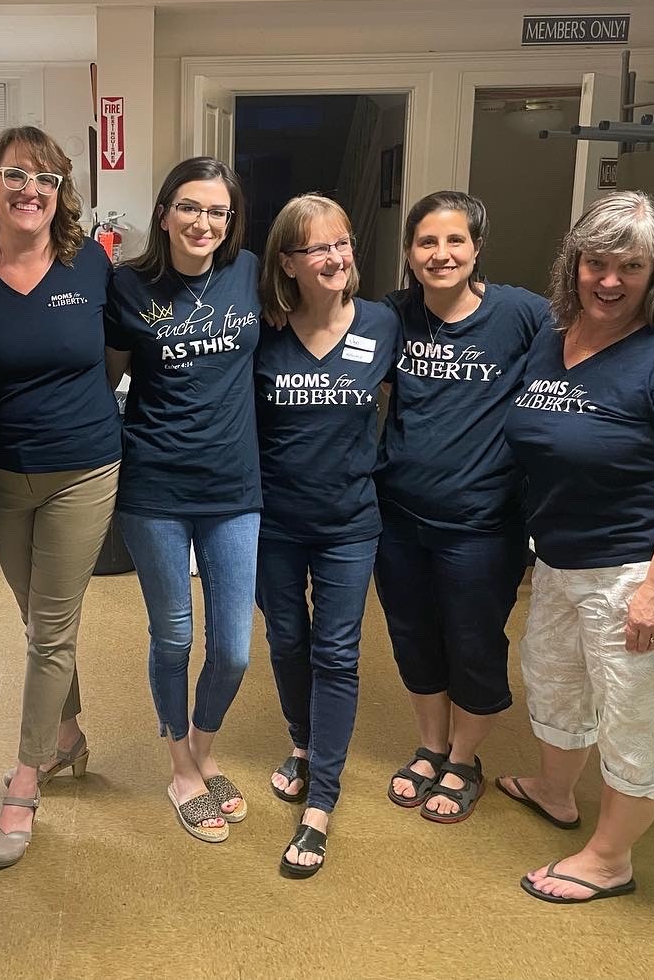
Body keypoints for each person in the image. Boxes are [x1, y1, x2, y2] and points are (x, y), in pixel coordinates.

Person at [372, 191, 654, 825]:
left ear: (476, 248)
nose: (441, 254)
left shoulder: (522, 314)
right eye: (426, 242)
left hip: (483, 521)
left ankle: (463, 759)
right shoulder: (392, 316)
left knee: (472, 641)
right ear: (408, 253)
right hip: (400, 517)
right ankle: (430, 745)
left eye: (455, 241)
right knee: (412, 636)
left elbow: (606, 325)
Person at [501, 191, 654, 903]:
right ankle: (555, 790)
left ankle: (610, 859)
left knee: (639, 712)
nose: (609, 280)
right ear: (572, 264)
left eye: (629, 266)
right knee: (557, 682)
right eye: (596, 262)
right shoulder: (553, 337)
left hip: (642, 566)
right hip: (563, 557)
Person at [0, 126, 121, 869]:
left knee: (50, 629)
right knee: (36, 617)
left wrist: (70, 416)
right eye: (15, 174)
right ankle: (68, 734)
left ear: (61, 192)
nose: (30, 189)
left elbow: (114, 357)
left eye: (46, 178)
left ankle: (25, 779)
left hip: (82, 469)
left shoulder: (91, 265)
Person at [104, 156, 260, 844]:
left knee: (233, 649)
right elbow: (107, 380)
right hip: (155, 488)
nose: (204, 222)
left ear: (231, 221)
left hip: (235, 488)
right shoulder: (128, 285)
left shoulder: (248, 272)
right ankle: (180, 766)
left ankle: (204, 743)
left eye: (217, 211)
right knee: (173, 635)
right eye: (190, 207)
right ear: (165, 213)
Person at [254, 194, 399, 876]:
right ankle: (303, 743)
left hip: (349, 522)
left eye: (343, 243)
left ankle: (322, 803)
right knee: (287, 638)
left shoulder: (384, 323)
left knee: (337, 652)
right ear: (288, 261)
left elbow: (473, 321)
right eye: (319, 247)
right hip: (273, 521)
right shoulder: (262, 330)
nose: (337, 257)